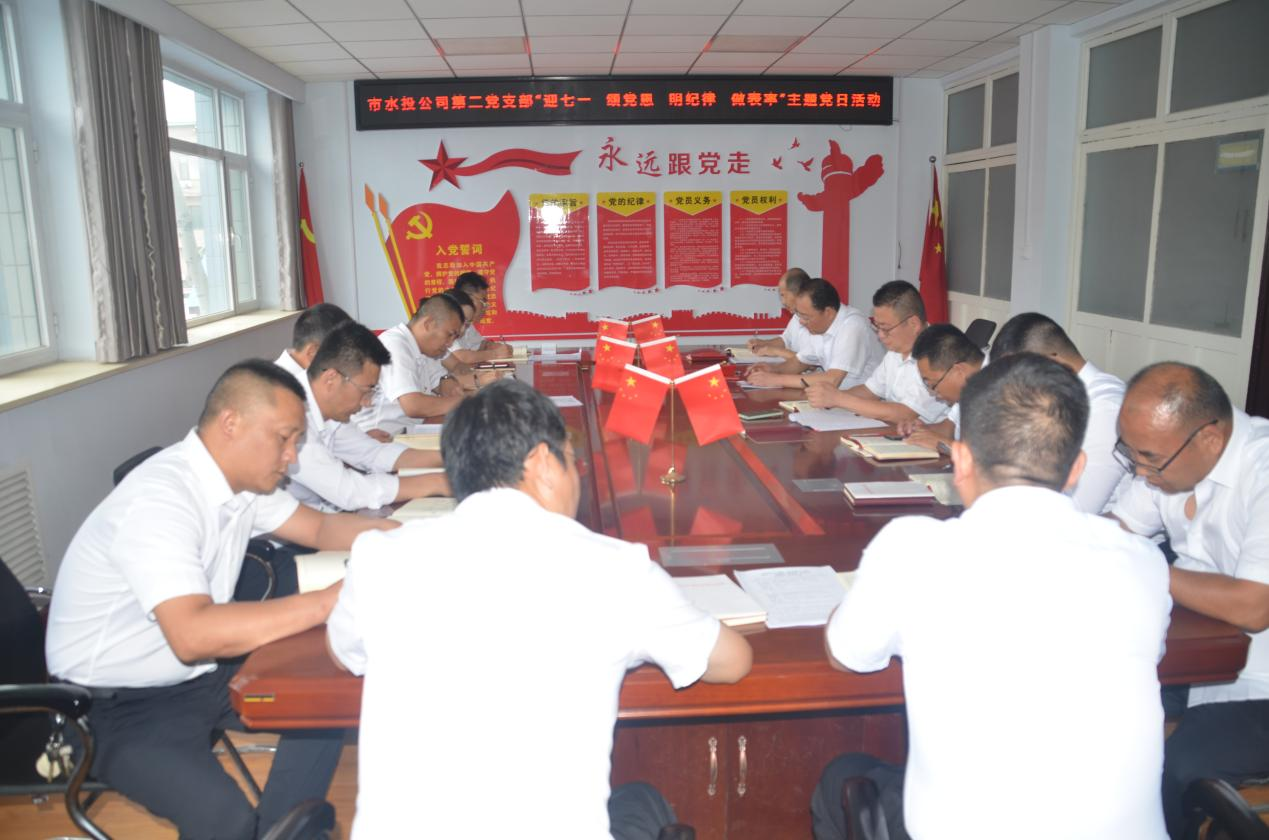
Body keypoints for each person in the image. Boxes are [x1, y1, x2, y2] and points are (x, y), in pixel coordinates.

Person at [327, 379, 753, 838]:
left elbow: (342, 650)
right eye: (572, 460)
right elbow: (732, 662)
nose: (577, 477)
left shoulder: (380, 556)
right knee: (643, 800)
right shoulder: (616, 568)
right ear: (544, 463)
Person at [813, 353, 1171, 840]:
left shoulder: (912, 548)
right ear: (1076, 469)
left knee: (843, 775)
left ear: (960, 460)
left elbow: (844, 654)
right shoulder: (1143, 561)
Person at [45, 360, 400, 839]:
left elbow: (319, 528)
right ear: (231, 423)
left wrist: (409, 539)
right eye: (284, 439)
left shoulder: (241, 483)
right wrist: (327, 601)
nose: (292, 458)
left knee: (323, 708)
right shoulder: (161, 500)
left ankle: (278, 832)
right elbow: (193, 635)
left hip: (198, 677)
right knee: (223, 819)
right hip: (110, 706)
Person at [1110, 362, 1269, 837]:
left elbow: (1253, 606)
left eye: (1150, 459)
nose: (1141, 472)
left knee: (1176, 763)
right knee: (1098, 704)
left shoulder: (1262, 470)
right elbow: (1117, 535)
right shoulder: (1167, 462)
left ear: (1210, 440)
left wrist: (1148, 566)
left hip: (1262, 684)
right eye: (1130, 453)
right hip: (1209, 660)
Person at [288, 321, 450, 512]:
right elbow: (349, 492)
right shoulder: (291, 417)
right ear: (331, 379)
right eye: (366, 390)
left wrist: (454, 457)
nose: (367, 403)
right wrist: (437, 482)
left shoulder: (329, 410)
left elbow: (372, 453)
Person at [991, 312, 1130, 514]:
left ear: (1054, 364)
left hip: (1094, 528)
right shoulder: (1058, 400)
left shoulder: (1106, 409)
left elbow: (1078, 508)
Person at [805, 280, 949, 425]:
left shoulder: (937, 354)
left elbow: (905, 413)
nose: (880, 336)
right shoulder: (895, 351)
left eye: (885, 328)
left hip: (927, 436)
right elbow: (870, 391)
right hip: (893, 430)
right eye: (877, 327)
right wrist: (828, 397)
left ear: (913, 324)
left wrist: (839, 399)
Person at [354, 293, 466, 434]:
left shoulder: (423, 348)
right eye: (449, 335)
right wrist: (465, 402)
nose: (450, 344)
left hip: (409, 430)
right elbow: (413, 405)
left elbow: (441, 383)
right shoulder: (395, 345)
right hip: (381, 437)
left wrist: (447, 380)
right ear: (428, 324)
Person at [745, 277, 883, 391]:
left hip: (867, 404)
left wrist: (776, 379)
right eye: (799, 315)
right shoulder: (818, 328)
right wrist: (772, 369)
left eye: (806, 317)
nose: (801, 322)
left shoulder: (853, 325)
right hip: (838, 399)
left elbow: (833, 379)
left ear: (828, 312)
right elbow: (800, 362)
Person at [897, 323, 984, 451]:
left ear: (958, 371)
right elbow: (949, 428)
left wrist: (943, 445)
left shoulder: (1001, 387)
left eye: (933, 385)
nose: (935, 394)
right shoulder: (967, 387)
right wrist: (921, 430)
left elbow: (993, 456)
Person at [447, 271, 514, 364]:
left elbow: (480, 345)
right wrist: (495, 353)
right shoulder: (448, 320)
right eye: (483, 302)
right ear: (468, 299)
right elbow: (459, 357)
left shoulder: (468, 323)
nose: (486, 307)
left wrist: (491, 345)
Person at [748, 266, 812, 359]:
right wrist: (764, 343)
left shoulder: (817, 319)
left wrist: (776, 351)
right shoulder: (797, 316)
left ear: (798, 292)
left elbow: (809, 361)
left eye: (783, 295)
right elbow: (785, 340)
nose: (782, 302)